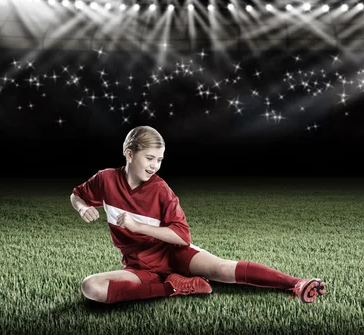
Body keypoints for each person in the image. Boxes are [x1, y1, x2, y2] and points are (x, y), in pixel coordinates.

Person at [70, 125, 326, 304]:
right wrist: (83, 207)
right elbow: (77, 194)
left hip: (174, 254)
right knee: (91, 287)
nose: (154, 166)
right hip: (137, 264)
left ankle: (296, 282)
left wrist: (138, 227)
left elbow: (182, 236)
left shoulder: (161, 190)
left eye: (159, 160)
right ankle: (173, 287)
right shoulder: (105, 179)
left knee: (222, 269)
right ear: (129, 154)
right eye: (149, 158)